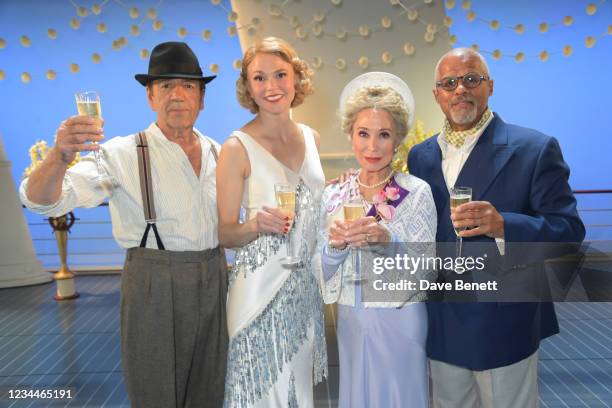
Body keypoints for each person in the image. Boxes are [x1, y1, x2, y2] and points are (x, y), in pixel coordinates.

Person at [20, 42, 228, 408]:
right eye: (166, 85)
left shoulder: (219, 152)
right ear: (150, 96)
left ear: (202, 98)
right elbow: (42, 200)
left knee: (211, 387)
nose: (177, 95)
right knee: (155, 391)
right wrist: (60, 156)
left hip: (215, 276)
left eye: (188, 86)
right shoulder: (121, 153)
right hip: (153, 281)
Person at [408, 48, 585, 407]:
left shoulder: (534, 149)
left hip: (504, 320)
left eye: (471, 79)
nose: (460, 89)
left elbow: (568, 231)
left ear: (489, 86)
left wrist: (505, 224)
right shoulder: (420, 156)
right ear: (437, 94)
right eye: (449, 83)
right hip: (442, 319)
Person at [217, 37, 327, 408]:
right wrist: (255, 226)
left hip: (304, 287)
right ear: (248, 87)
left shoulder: (311, 138)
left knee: (299, 389)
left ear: (297, 78)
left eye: (280, 75)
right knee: (262, 394)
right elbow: (225, 233)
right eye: (259, 78)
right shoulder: (236, 147)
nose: (271, 87)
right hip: (258, 289)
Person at [317, 72, 437, 408]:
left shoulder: (416, 193)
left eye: (383, 135)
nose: (372, 146)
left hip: (400, 319)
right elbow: (319, 272)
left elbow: (427, 272)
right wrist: (334, 248)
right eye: (363, 134)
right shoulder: (334, 194)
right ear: (351, 136)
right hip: (351, 320)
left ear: (398, 138)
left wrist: (391, 242)